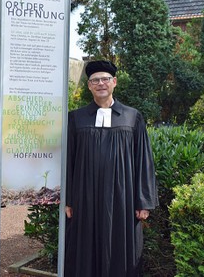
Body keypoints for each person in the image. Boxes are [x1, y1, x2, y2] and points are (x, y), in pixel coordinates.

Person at [64, 60, 158, 277]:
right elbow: (69, 159)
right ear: (89, 86)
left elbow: (143, 159)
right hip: (85, 196)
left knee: (121, 249)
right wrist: (69, 198)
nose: (100, 84)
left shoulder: (132, 117)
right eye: (95, 80)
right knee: (85, 248)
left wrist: (143, 202)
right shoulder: (76, 118)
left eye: (105, 79)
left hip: (122, 199)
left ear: (114, 82)